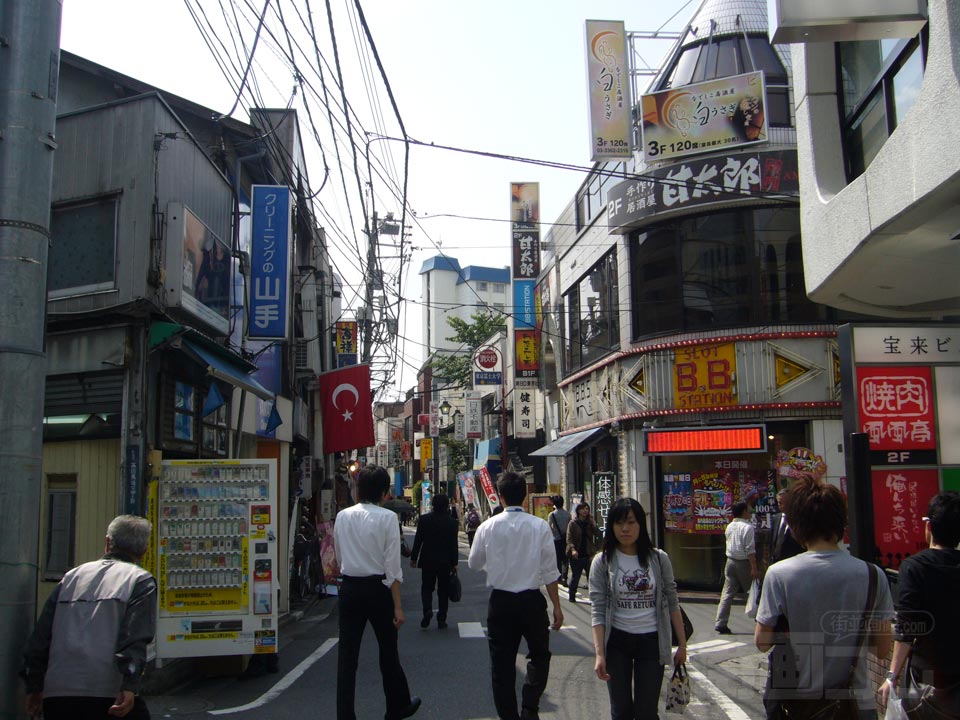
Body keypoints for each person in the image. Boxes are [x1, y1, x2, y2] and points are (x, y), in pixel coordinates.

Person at [755, 477, 893, 720]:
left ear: (796, 525)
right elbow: (882, 649)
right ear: (841, 523)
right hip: (856, 706)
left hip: (800, 706)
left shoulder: (779, 574)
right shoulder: (873, 575)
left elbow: (762, 642)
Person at [22, 515, 156, 720]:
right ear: (144, 550)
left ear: (107, 543)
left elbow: (40, 638)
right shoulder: (139, 581)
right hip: (109, 692)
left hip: (58, 692)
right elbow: (135, 636)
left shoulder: (70, 578)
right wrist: (130, 685)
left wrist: (34, 685)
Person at [468, 472, 563, 720]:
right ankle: (530, 706)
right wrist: (557, 607)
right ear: (525, 496)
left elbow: (474, 563)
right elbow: (550, 571)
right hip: (532, 601)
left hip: (500, 603)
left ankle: (508, 716)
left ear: (499, 497)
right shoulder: (539, 526)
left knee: (502, 665)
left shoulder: (486, 527)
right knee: (540, 656)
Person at [334, 464, 421, 720]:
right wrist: (398, 606)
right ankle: (396, 706)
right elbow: (392, 566)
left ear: (358, 489)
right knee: (387, 650)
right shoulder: (387, 519)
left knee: (347, 657)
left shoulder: (342, 516)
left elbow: (339, 557)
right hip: (378, 589)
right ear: (384, 492)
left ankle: (345, 715)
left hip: (349, 587)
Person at [589, 498, 687, 720]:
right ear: (611, 526)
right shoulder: (602, 562)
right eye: (619, 523)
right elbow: (598, 609)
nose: (625, 529)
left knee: (646, 711)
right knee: (621, 710)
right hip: (617, 642)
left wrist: (682, 644)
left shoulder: (658, 559)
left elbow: (672, 601)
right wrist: (599, 654)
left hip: (651, 641)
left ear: (641, 525)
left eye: (631, 522)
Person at [879, 490, 960, 718]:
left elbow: (906, 628)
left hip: (928, 682)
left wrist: (891, 676)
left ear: (929, 527)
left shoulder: (915, 567)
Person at [410, 493, 460, 630]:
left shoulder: (424, 520)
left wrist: (414, 558)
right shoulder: (452, 523)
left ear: (432, 505)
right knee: (443, 591)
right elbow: (453, 545)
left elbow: (418, 540)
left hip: (427, 560)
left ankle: (427, 609)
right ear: (447, 506)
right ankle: (441, 619)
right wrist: (455, 563)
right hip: (445, 562)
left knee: (426, 587)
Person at [714, 501, 758, 633]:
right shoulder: (747, 527)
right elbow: (750, 550)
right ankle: (761, 621)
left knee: (727, 593)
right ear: (744, 511)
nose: (750, 512)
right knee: (753, 592)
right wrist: (754, 567)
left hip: (730, 561)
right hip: (743, 562)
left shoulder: (730, 526)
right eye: (748, 510)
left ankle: (720, 622)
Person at [566, 502, 599, 602]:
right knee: (576, 576)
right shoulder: (573, 523)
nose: (585, 511)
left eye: (587, 509)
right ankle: (572, 595)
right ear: (578, 511)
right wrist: (573, 550)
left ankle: (594, 597)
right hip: (577, 555)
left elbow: (598, 534)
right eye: (583, 509)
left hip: (589, 554)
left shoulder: (589, 523)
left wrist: (594, 523)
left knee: (592, 578)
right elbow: (569, 538)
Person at [768, 488, 804, 566]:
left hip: (793, 563)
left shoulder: (798, 519)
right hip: (776, 563)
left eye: (782, 502)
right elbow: (772, 543)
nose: (779, 505)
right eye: (778, 502)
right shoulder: (777, 518)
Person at [547, 496, 571, 585]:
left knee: (557, 559)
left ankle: (559, 577)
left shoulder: (552, 515)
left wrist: (555, 533)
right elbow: (569, 526)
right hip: (565, 540)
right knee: (565, 559)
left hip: (556, 539)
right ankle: (565, 576)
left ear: (554, 504)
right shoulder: (568, 514)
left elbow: (549, 526)